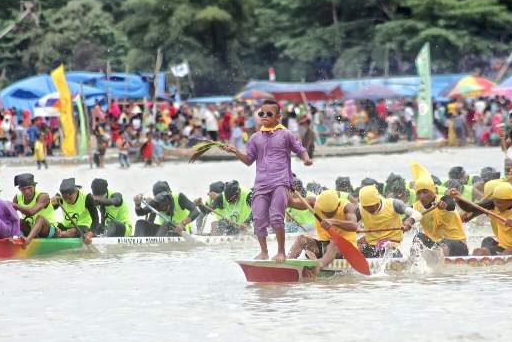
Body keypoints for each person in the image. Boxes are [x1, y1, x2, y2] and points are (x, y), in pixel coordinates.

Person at [221, 99, 313, 262]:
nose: (264, 116)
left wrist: (306, 159)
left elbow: (300, 149)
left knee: (277, 217)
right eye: (261, 113)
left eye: (268, 114)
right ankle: (264, 252)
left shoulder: (286, 134)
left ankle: (281, 252)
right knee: (258, 219)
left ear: (278, 117)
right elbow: (249, 160)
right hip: (261, 184)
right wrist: (235, 151)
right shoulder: (255, 138)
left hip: (281, 182)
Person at [454, 182, 512, 255]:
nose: (496, 205)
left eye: (500, 203)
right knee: (479, 252)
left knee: (508, 253)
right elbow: (470, 208)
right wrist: (458, 199)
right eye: (495, 201)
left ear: (510, 200)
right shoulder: (493, 203)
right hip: (503, 246)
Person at [287, 190, 358, 277]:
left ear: (338, 205)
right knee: (301, 239)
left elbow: (354, 226)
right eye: (325, 213)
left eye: (332, 213)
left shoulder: (347, 206)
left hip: (345, 247)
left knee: (333, 244)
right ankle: (286, 263)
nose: (328, 215)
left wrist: (333, 221)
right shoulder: (314, 202)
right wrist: (284, 190)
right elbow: (291, 203)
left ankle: (318, 265)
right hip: (324, 245)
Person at [403, 175, 468, 257]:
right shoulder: (416, 207)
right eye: (419, 193)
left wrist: (444, 204)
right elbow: (405, 221)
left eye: (425, 192)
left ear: (432, 191)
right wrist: (405, 225)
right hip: (436, 245)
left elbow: (450, 203)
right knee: (418, 237)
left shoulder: (443, 200)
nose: (422, 196)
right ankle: (413, 264)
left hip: (458, 244)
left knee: (444, 243)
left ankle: (439, 268)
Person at [357, 185, 421, 258]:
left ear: (378, 200)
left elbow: (417, 214)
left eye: (371, 206)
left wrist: (410, 221)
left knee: (386, 247)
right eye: (365, 207)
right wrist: (355, 226)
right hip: (371, 245)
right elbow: (348, 222)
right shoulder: (359, 209)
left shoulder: (394, 204)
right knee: (355, 246)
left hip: (391, 246)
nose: (368, 209)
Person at [133, 181, 200, 236]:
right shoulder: (155, 202)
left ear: (169, 202)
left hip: (181, 230)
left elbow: (195, 211)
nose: (164, 211)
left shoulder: (179, 197)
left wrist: (182, 223)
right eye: (160, 209)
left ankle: (156, 244)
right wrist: (137, 204)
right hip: (163, 232)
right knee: (140, 223)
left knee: (167, 223)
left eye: (164, 208)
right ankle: (137, 243)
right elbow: (140, 213)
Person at [12, 173, 58, 244]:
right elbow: (11, 217)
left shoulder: (43, 196)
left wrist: (15, 205)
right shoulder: (17, 198)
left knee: (40, 218)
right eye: (23, 189)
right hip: (31, 229)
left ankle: (27, 240)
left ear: (34, 186)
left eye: (29, 188)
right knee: (17, 220)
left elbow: (32, 212)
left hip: (48, 230)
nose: (27, 191)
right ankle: (17, 237)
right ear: (19, 189)